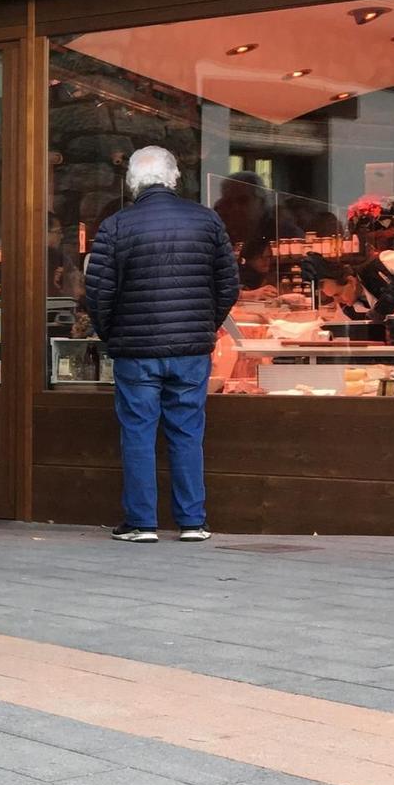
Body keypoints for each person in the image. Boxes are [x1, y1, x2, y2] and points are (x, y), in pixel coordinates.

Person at [83, 146, 239, 543]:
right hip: (190, 350)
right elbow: (228, 286)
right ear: (174, 179)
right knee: (187, 432)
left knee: (137, 431)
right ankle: (192, 522)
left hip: (136, 352)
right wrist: (205, 327)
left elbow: (98, 294)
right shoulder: (207, 221)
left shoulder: (117, 226)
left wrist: (112, 334)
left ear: (132, 183)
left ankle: (141, 523)